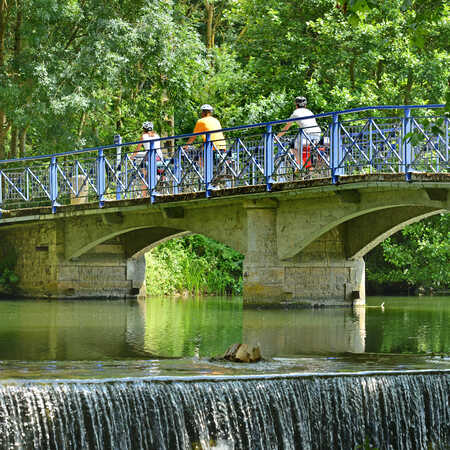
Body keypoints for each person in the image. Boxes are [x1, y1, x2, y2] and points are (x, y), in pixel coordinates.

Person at [277, 96, 322, 167]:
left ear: (296, 105)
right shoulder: (309, 111)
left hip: (306, 134)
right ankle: (313, 165)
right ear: (305, 105)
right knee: (311, 148)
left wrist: (277, 136)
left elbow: (286, 128)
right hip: (318, 133)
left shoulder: (295, 113)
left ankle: (301, 166)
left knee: (292, 146)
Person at [132, 121, 164, 196]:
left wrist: (132, 156)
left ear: (144, 129)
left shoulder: (143, 136)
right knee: (160, 171)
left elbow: (138, 148)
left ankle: (144, 195)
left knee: (144, 175)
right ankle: (160, 188)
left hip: (150, 156)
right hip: (159, 157)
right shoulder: (157, 135)